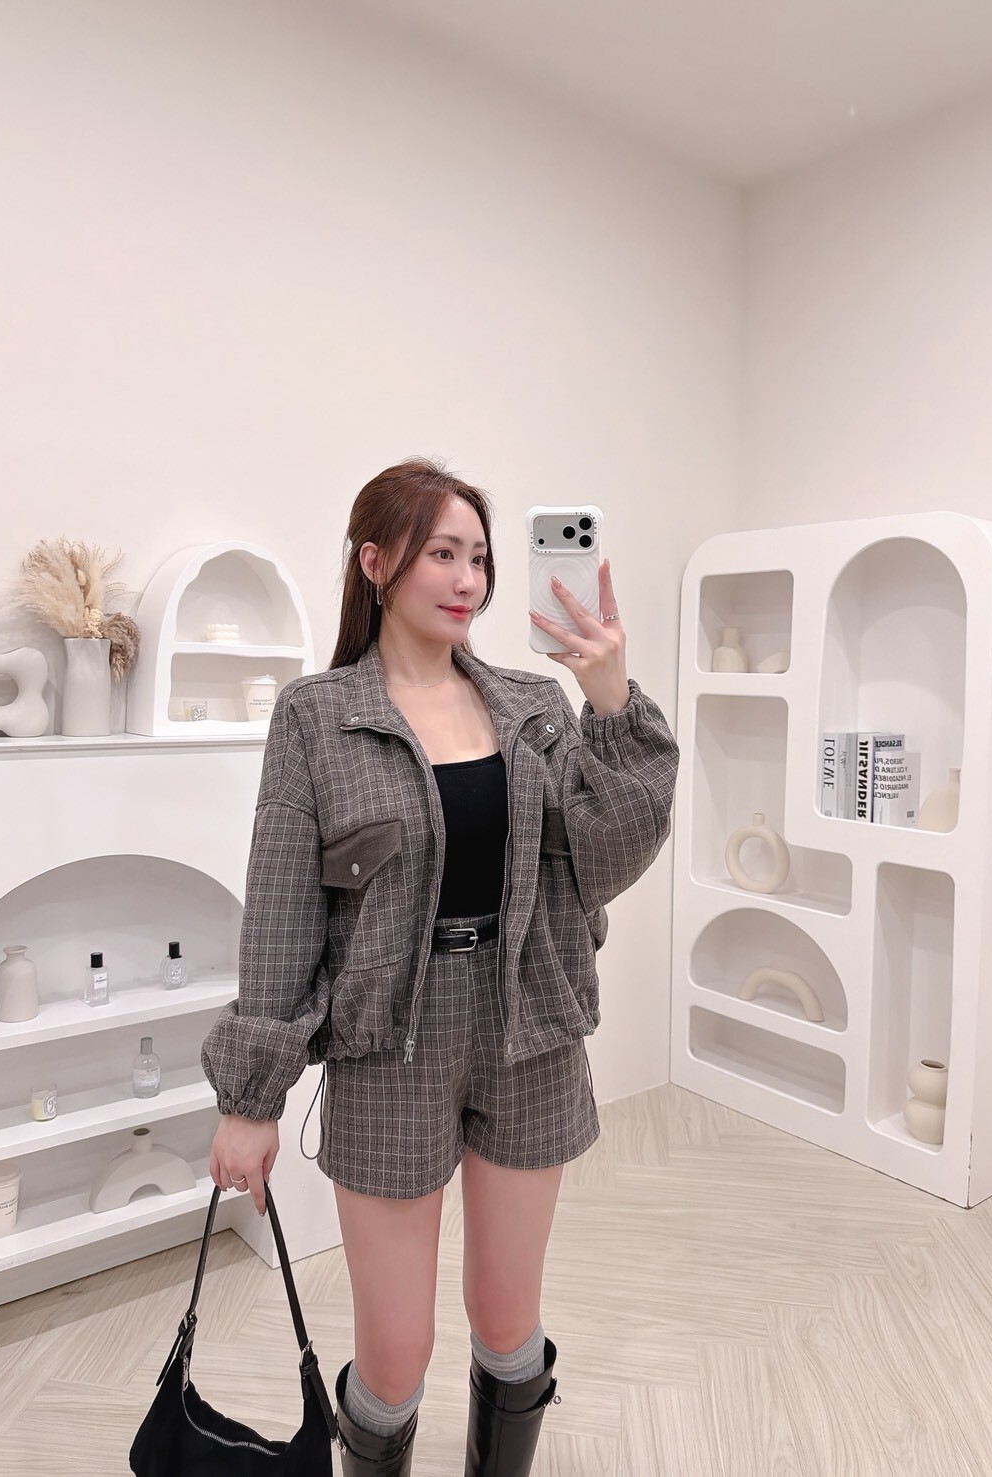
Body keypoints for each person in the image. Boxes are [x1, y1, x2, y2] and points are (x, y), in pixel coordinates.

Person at [202, 459, 679, 1476]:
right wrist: (251, 1098)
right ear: (376, 563)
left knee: (508, 1322)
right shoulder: (316, 716)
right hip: (390, 1040)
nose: (468, 580)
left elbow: (609, 857)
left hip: (529, 1026)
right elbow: (281, 909)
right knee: (395, 1353)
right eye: (442, 554)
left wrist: (609, 702)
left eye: (480, 558)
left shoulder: (535, 703)